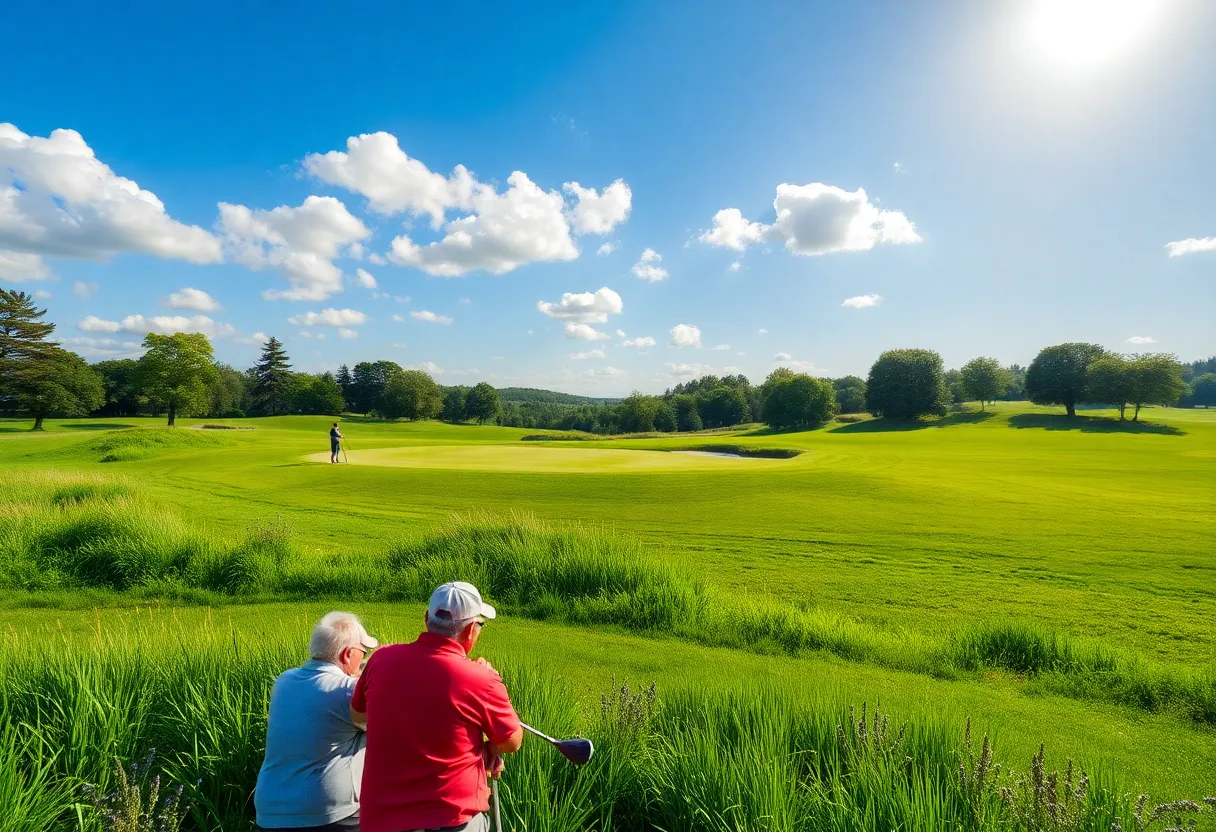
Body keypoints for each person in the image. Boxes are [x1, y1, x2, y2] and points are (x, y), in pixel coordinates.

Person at [351, 582, 524, 832]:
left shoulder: (381, 659)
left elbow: (358, 714)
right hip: (450, 818)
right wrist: (489, 747)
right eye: (480, 626)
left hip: (383, 819)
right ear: (470, 629)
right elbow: (512, 740)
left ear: (426, 619)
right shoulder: (482, 679)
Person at [255, 611, 379, 831]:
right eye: (364, 652)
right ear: (348, 655)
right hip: (329, 813)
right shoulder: (347, 692)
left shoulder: (284, 681)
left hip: (271, 810)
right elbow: (381, 724)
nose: (365, 657)